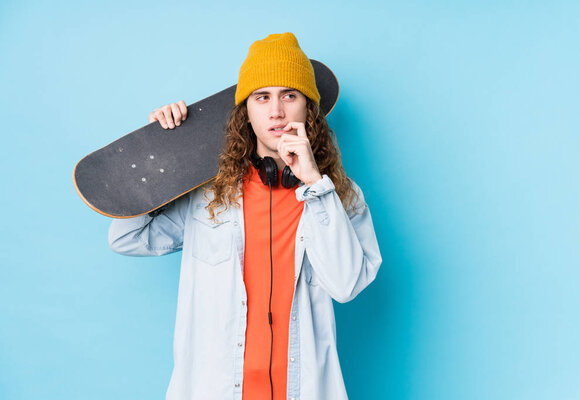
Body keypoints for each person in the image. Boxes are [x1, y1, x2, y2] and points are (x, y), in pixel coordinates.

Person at [108, 32, 382, 400]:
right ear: (246, 111)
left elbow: (347, 285)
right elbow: (127, 238)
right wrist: (161, 157)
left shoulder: (338, 196)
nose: (276, 112)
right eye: (262, 97)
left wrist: (316, 184)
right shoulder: (208, 194)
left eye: (290, 95)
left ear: (308, 109)